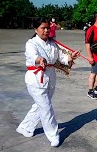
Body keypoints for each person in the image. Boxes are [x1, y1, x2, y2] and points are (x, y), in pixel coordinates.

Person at [16, 17, 80, 147]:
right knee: (46, 108)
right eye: (42, 28)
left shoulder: (52, 43)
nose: (46, 30)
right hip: (35, 78)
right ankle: (53, 135)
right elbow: (32, 55)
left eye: (47, 28)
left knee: (41, 105)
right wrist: (39, 60)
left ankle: (25, 127)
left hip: (50, 78)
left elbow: (61, 58)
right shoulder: (31, 43)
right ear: (36, 29)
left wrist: (70, 57)